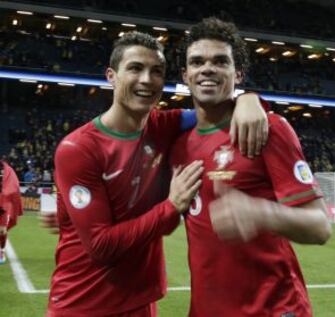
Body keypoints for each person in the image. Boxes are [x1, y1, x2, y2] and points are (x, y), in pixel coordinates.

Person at [46, 31, 268, 317]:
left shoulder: (164, 127)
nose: (147, 80)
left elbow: (216, 110)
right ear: (111, 76)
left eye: (157, 71)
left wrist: (249, 98)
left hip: (142, 302)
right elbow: (101, 247)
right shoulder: (79, 148)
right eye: (135, 68)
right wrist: (171, 207)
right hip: (83, 305)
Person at [170, 17, 332, 317]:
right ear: (186, 74)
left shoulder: (268, 129)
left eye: (221, 61)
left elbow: (321, 227)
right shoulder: (178, 146)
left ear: (238, 74)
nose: (207, 68)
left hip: (273, 309)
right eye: (197, 62)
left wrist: (262, 213)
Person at [0, 160, 23, 264]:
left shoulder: (7, 171)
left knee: (2, 230)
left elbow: (12, 187)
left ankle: (1, 251)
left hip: (3, 203)